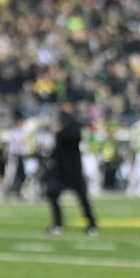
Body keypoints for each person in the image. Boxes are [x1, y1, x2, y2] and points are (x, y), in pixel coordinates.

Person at [44, 100, 99, 235]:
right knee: (53, 195)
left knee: (82, 198)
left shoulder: (72, 124)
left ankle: (91, 224)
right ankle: (58, 224)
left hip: (73, 168)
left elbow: (74, 137)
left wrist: (61, 131)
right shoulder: (63, 124)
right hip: (61, 168)